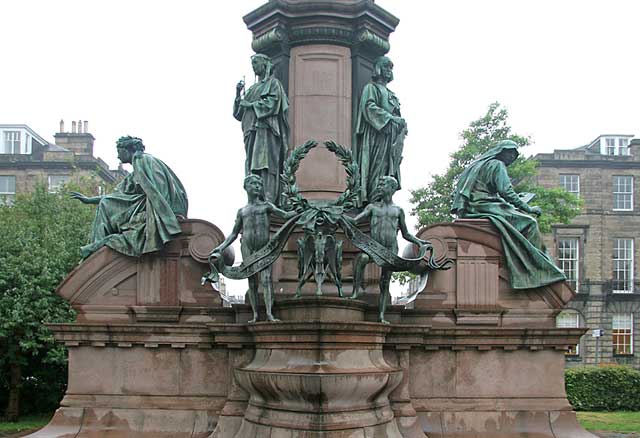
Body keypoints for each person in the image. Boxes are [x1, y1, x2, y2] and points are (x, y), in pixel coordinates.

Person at [451, 140, 566, 289]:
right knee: (530, 223)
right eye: (510, 152)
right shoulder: (497, 165)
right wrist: (528, 208)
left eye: (515, 154)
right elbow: (506, 191)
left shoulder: (480, 164)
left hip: (476, 205)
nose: (512, 157)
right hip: (484, 206)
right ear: (501, 151)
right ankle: (537, 268)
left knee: (517, 216)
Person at [71, 136, 188, 259]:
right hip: (144, 203)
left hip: (152, 205)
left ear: (127, 150)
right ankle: (97, 249)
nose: (118, 157)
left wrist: (165, 217)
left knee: (106, 203)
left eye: (119, 152)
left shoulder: (144, 160)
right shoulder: (136, 170)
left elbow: (160, 189)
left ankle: (96, 252)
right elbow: (117, 195)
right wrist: (89, 200)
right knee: (106, 202)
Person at [209, 175, 296, 323]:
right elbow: (234, 234)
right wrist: (220, 247)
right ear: (246, 187)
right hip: (247, 247)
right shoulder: (242, 211)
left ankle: (269, 314)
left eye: (259, 184)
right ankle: (255, 315)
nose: (257, 186)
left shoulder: (266, 206)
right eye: (253, 184)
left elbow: (285, 215)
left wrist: (299, 210)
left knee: (267, 279)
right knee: (252, 281)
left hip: (264, 246)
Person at [350, 176, 427, 323]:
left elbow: (405, 233)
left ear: (391, 189)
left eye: (383, 185)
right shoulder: (372, 207)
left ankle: (381, 316)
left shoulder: (398, 211)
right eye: (379, 184)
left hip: (390, 250)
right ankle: (355, 292)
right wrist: (338, 217)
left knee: (385, 282)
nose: (379, 187)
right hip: (374, 249)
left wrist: (419, 242)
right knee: (362, 259)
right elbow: (355, 221)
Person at [234, 53, 289, 205]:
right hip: (251, 130)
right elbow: (239, 113)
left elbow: (273, 102)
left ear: (265, 64)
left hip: (264, 129)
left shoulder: (273, 84)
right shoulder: (252, 89)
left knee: (265, 163)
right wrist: (238, 94)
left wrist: (251, 105)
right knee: (253, 164)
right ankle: (256, 198)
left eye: (256, 63)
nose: (253, 67)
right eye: (252, 64)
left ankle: (269, 197)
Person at [353, 56, 407, 205]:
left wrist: (401, 125)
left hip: (390, 137)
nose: (388, 71)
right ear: (377, 68)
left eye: (390, 68)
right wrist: (390, 119)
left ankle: (382, 197)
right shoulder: (372, 88)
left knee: (385, 167)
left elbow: (396, 113)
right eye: (386, 67)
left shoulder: (390, 93)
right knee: (376, 166)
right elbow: (369, 106)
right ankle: (374, 197)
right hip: (376, 135)